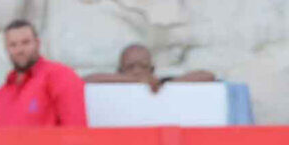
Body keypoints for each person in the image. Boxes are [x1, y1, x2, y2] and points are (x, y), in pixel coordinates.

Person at [0, 20, 87, 128]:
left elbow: (77, 132)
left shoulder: (59, 75)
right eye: (13, 45)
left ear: (37, 43)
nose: (19, 50)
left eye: (25, 42)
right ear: (7, 49)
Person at [84, 43, 217, 93]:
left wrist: (166, 85)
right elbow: (85, 81)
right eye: (130, 67)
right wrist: (135, 82)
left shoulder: (161, 84)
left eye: (143, 66)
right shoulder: (111, 87)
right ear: (120, 71)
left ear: (152, 70)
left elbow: (208, 76)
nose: (137, 71)